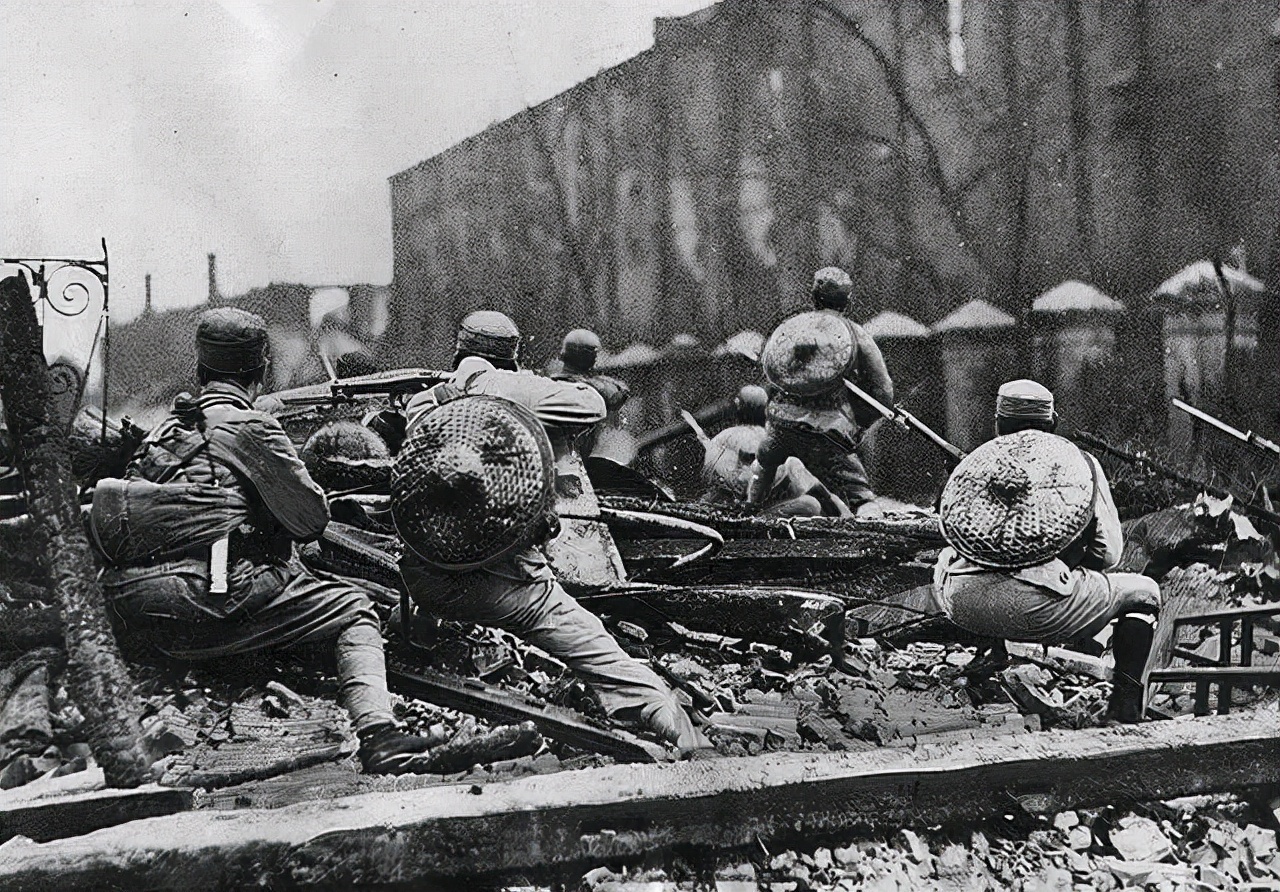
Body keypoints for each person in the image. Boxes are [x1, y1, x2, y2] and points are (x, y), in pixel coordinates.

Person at [91, 308, 437, 774]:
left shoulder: (165, 429)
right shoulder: (250, 425)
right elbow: (309, 520)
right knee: (353, 607)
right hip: (209, 599)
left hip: (134, 604)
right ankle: (380, 735)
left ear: (201, 369)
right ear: (262, 370)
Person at [397, 311, 706, 750]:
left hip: (425, 575)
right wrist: (562, 386)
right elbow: (592, 406)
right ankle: (663, 715)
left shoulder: (423, 403)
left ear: (458, 351)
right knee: (591, 644)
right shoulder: (517, 389)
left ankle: (414, 637)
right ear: (512, 357)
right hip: (507, 582)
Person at [932, 379, 1161, 723]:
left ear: (998, 424)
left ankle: (991, 654)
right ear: (1052, 424)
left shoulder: (976, 465)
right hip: (1037, 611)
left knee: (957, 565)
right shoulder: (1080, 464)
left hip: (959, 601)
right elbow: (1110, 553)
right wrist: (1071, 565)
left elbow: (949, 529)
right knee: (1145, 593)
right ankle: (1125, 703)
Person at [748, 267, 894, 517]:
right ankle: (873, 533)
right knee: (858, 493)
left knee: (763, 463)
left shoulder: (792, 328)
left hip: (781, 425)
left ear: (813, 296)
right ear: (847, 299)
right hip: (827, 431)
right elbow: (884, 392)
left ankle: (748, 510)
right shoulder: (855, 333)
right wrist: (859, 423)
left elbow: (774, 373)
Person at [702, 385, 850, 518]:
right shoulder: (758, 438)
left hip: (753, 499)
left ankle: (839, 509)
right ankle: (840, 510)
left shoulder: (724, 438)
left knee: (800, 481)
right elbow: (736, 483)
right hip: (744, 507)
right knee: (809, 503)